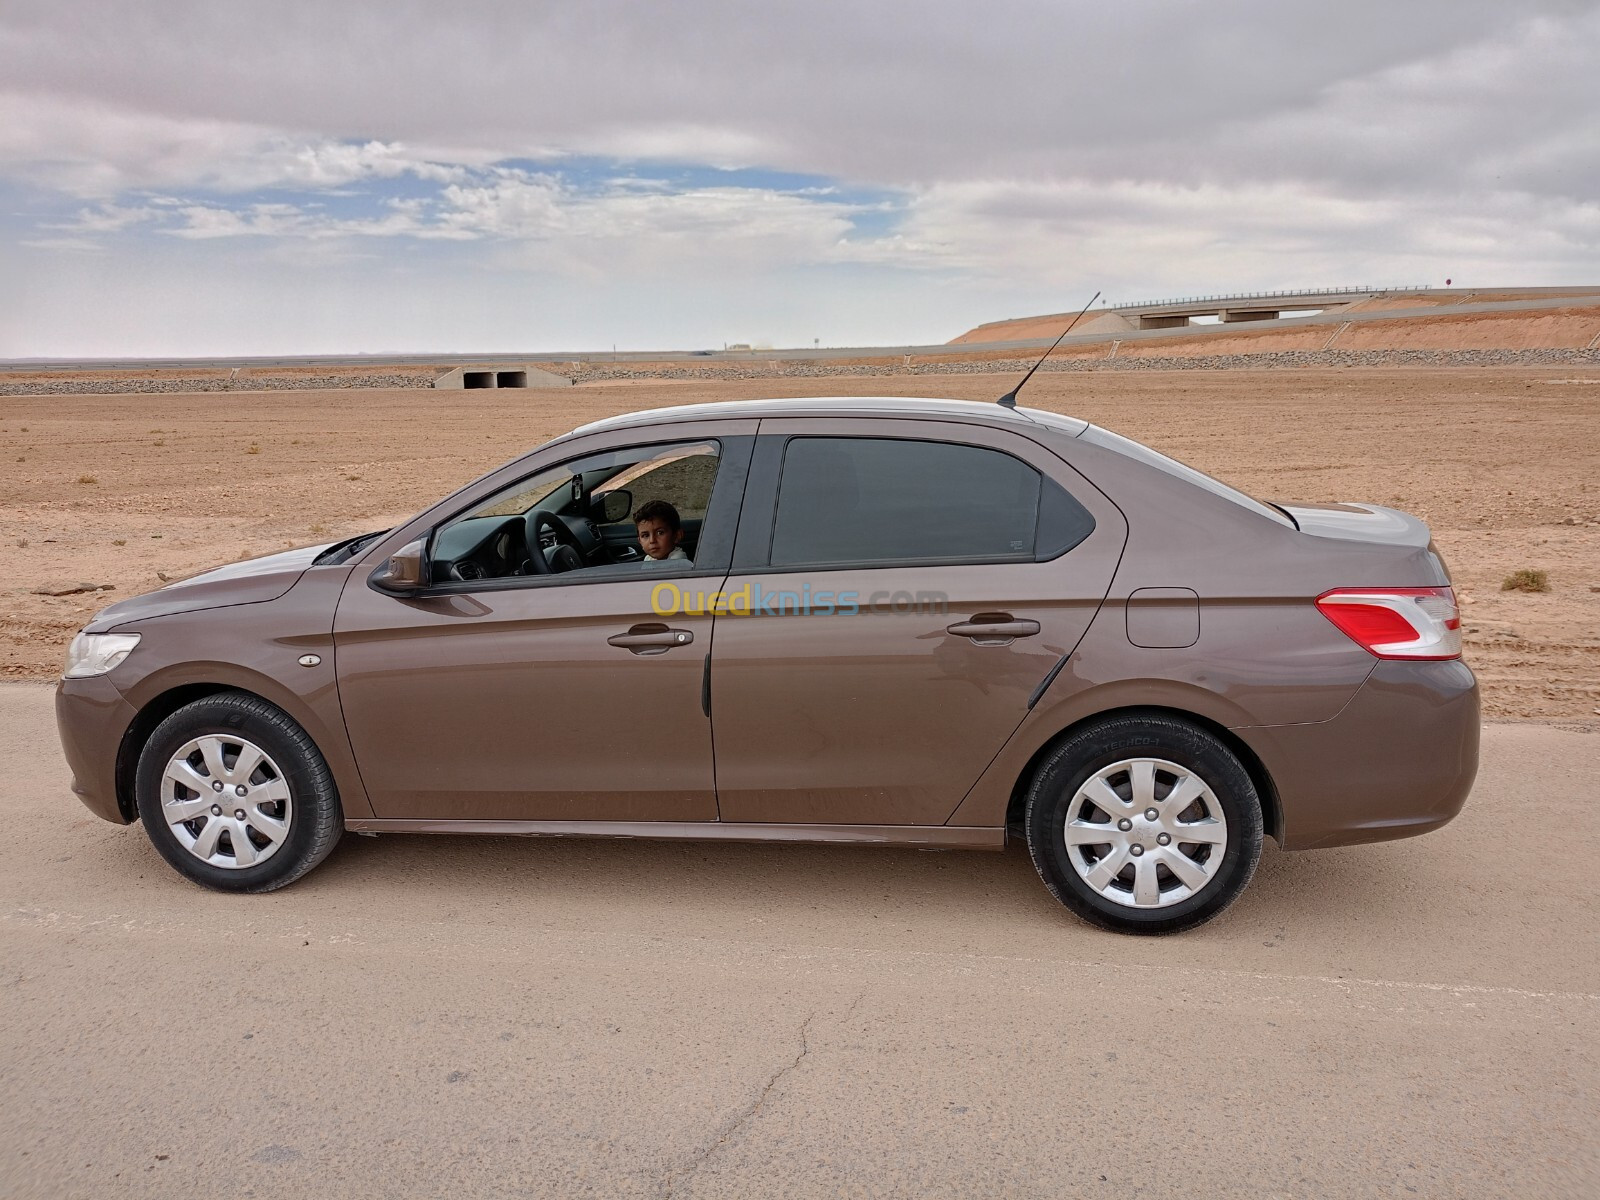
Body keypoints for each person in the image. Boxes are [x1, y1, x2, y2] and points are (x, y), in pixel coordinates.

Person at [634, 500, 690, 565]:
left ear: (677, 536)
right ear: (640, 541)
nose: (652, 540)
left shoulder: (678, 561)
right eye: (646, 535)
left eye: (660, 533)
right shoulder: (649, 558)